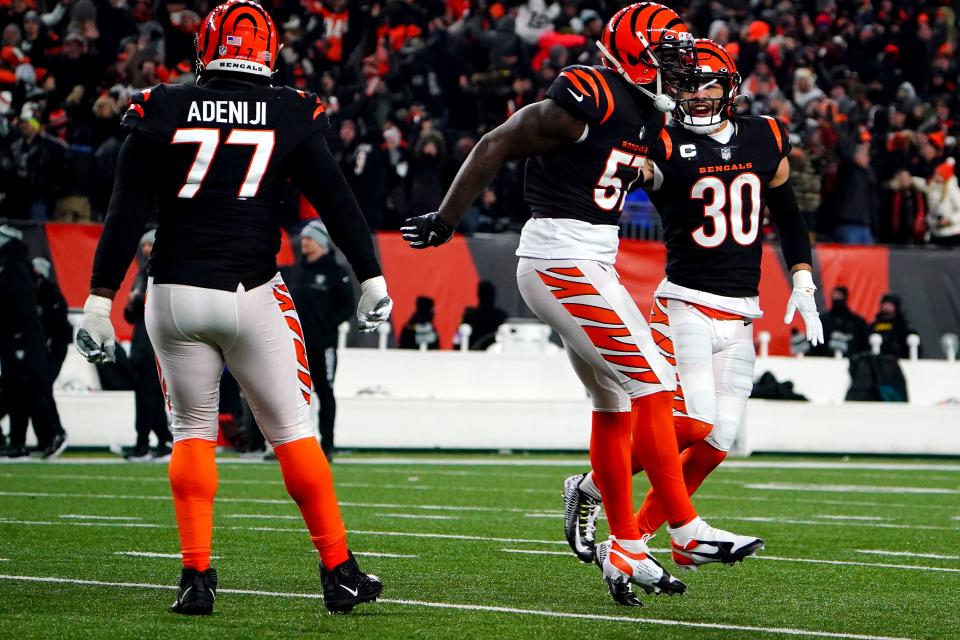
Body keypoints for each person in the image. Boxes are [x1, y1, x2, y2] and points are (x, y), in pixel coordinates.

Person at [402, 3, 760, 606]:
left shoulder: (651, 109)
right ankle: (683, 528)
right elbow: (495, 142)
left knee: (615, 399)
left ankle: (622, 544)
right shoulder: (588, 92)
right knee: (654, 389)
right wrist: (445, 219)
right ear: (630, 53)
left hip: (593, 257)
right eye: (665, 55)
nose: (678, 67)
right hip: (560, 256)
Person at [73, 0, 391, 616]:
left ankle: (196, 577)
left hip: (175, 292)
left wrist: (97, 297)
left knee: (191, 432)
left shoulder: (161, 104)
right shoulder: (291, 110)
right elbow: (334, 195)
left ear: (207, 46)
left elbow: (125, 208)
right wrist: (370, 273)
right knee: (295, 433)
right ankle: (338, 571)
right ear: (267, 52)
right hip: (252, 289)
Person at [562, 40, 823, 568]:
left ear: (731, 87)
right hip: (686, 305)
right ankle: (592, 487)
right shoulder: (660, 141)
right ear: (670, 89)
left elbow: (788, 216)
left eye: (709, 85)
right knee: (692, 423)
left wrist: (803, 280)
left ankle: (632, 538)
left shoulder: (765, 134)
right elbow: (612, 173)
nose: (699, 96)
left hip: (742, 310)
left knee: (720, 438)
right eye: (687, 85)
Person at [282, 220, 354, 460]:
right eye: (303, 238)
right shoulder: (296, 271)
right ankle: (295, 444)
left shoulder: (336, 272)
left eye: (309, 238)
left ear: (321, 242)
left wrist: (326, 325)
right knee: (293, 396)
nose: (304, 242)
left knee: (325, 392)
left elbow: (346, 307)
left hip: (323, 345)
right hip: (296, 345)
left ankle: (327, 445)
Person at [0, 225, 67, 459]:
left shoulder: (16, 270)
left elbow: (56, 326)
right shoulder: (17, 269)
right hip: (27, 343)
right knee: (21, 391)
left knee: (33, 389)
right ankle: (33, 439)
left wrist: (28, 343)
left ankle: (51, 435)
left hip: (32, 345)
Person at [122, 229, 173, 461]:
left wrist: (139, 300)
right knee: (148, 395)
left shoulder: (162, 273)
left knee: (148, 396)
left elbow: (162, 306)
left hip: (154, 345)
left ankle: (145, 442)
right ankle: (162, 440)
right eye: (143, 245)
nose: (145, 249)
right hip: (142, 344)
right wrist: (132, 305)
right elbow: (133, 317)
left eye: (149, 245)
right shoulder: (142, 274)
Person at [810, 286, 871, 357]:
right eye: (834, 296)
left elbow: (864, 346)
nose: (836, 298)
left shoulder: (858, 322)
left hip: (852, 363)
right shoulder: (822, 321)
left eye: (839, 296)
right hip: (825, 362)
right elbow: (814, 344)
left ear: (845, 297)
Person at [457, 280, 508, 350]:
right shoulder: (501, 316)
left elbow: (457, 344)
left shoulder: (470, 315)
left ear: (478, 294)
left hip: (474, 357)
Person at [871, 293, 916, 359]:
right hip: (880, 359)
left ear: (896, 307)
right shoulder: (875, 325)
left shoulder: (903, 325)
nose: (886, 307)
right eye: (885, 304)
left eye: (889, 305)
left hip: (899, 359)